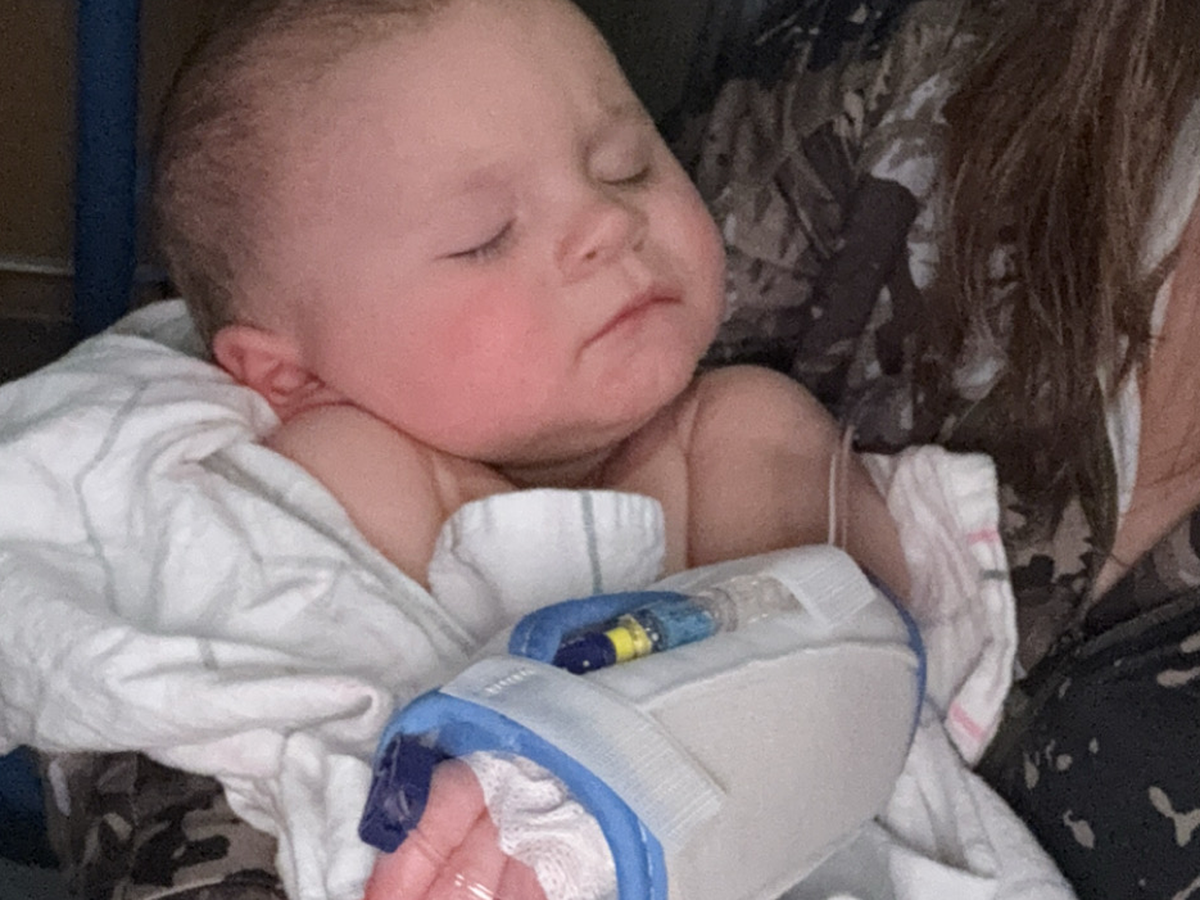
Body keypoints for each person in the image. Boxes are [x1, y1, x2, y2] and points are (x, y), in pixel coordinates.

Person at [151, 0, 912, 896]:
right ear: (295, 374)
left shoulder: (744, 432)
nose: (608, 223)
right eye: (485, 239)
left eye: (627, 166)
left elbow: (851, 662)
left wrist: (587, 797)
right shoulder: (338, 469)